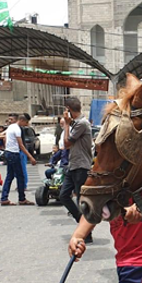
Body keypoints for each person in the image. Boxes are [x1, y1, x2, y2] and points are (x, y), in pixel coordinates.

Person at [61, 97, 94, 243]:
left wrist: (67, 125)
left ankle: (86, 231)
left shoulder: (82, 123)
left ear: (68, 109)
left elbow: (67, 144)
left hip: (82, 166)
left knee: (81, 200)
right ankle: (82, 224)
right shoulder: (76, 123)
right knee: (63, 195)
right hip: (73, 165)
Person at [0, 114, 36, 206]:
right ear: (22, 120)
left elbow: (4, 137)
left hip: (8, 153)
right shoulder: (17, 129)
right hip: (14, 154)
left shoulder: (11, 127)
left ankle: (4, 198)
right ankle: (22, 198)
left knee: (9, 176)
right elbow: (21, 145)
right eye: (26, 122)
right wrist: (30, 157)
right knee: (20, 177)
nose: (26, 124)